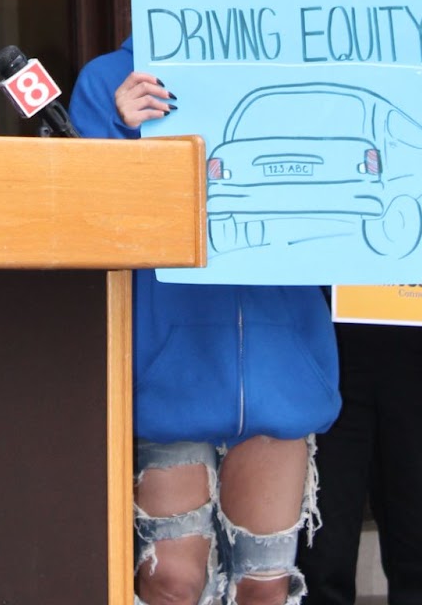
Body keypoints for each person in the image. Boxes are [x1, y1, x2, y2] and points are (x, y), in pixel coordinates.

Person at [70, 37, 340, 605]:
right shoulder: (109, 79)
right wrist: (119, 133)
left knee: (265, 589)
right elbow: (82, 222)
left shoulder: (303, 68)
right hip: (169, 376)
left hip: (281, 369)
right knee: (173, 581)